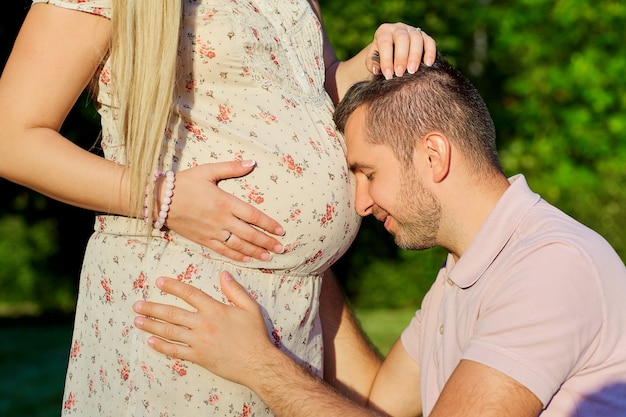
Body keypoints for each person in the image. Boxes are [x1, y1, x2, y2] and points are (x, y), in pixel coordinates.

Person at [0, 1, 436, 415]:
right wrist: (163, 196)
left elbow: (310, 92)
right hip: (184, 306)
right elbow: (12, 138)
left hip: (291, 315)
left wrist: (374, 60)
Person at [132, 54, 626, 417]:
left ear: (433, 155)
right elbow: (376, 397)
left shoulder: (550, 266)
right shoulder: (467, 269)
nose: (360, 203)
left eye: (367, 172)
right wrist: (304, 260)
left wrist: (259, 365)